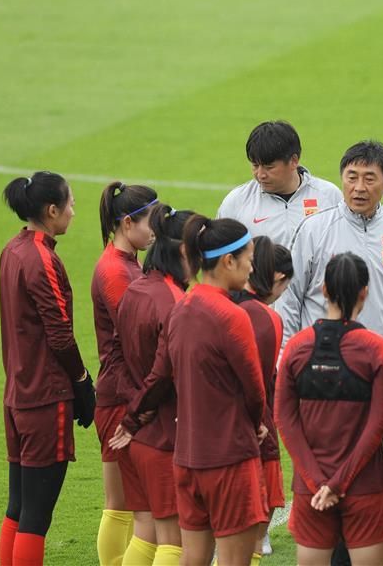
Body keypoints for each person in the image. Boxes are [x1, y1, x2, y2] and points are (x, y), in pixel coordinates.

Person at [151, 215, 268, 565]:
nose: (252, 268)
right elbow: (255, 390)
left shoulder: (180, 308)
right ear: (228, 261)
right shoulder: (233, 316)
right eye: (249, 258)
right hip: (229, 458)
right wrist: (257, 423)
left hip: (187, 459)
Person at [275, 253, 383, 566]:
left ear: (323, 289)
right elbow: (378, 425)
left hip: (310, 489)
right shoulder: (379, 350)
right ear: (365, 292)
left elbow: (285, 420)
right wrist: (339, 482)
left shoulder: (296, 347)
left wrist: (319, 481)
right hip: (366, 486)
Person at [0, 172, 95, 566]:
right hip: (45, 398)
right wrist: (83, 381)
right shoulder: (41, 258)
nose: (74, 211)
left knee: (18, 507)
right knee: (37, 516)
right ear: (52, 210)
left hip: (17, 393)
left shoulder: (12, 249)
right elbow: (59, 334)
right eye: (70, 204)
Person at [107, 203, 196, 566]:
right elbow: (165, 371)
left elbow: (115, 355)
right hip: (164, 433)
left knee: (146, 535)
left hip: (141, 434)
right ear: (184, 252)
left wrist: (132, 408)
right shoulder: (176, 301)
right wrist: (139, 413)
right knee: (173, 540)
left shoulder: (137, 288)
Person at [284, 140, 383, 346]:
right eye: (352, 177)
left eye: (369, 179)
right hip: (319, 358)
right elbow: (290, 295)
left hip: (376, 361)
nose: (359, 188)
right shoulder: (314, 229)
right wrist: (287, 351)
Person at [217, 120, 342, 338]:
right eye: (255, 165)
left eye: (268, 166)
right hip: (255, 327)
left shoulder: (329, 196)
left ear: (294, 161)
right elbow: (219, 265)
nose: (260, 174)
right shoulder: (237, 203)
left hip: (317, 325)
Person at [92, 181, 158, 566]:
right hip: (122, 396)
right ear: (128, 221)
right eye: (151, 222)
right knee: (132, 508)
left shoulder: (126, 261)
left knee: (125, 505)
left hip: (120, 392)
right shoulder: (116, 271)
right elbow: (137, 335)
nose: (155, 232)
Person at [231, 236, 293, 561]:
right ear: (279, 279)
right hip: (251, 428)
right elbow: (261, 385)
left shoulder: (214, 301)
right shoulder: (266, 317)